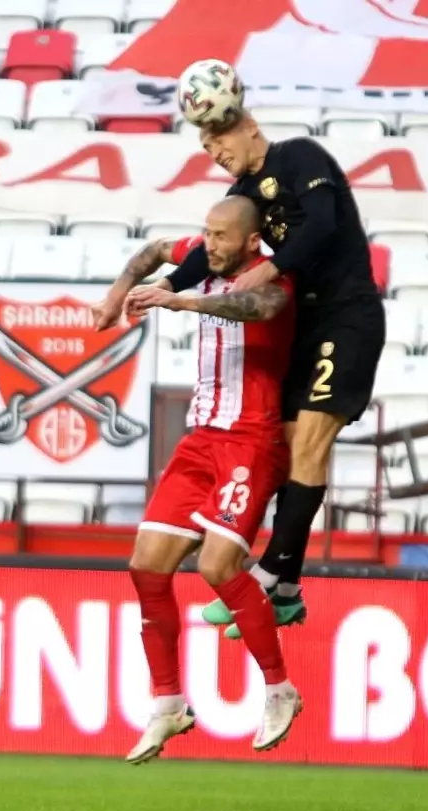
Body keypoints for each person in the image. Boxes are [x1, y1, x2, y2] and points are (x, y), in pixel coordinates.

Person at [100, 113, 386, 640]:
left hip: (346, 314)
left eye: (218, 137)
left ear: (247, 125)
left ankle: (274, 570)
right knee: (290, 443)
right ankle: (287, 588)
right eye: (205, 142)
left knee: (310, 444)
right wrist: (151, 289)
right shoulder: (241, 194)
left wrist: (267, 271)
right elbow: (197, 262)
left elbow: (321, 225)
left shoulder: (299, 156)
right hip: (307, 322)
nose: (214, 149)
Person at [119, 195, 302, 764]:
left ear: (252, 241)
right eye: (207, 233)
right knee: (146, 565)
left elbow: (254, 307)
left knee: (217, 565)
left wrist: (181, 299)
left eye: (222, 237)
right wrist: (115, 295)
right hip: (200, 439)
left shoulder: (275, 281)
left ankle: (279, 689)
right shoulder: (205, 256)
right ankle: (168, 703)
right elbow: (154, 250)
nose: (210, 244)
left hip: (252, 441)